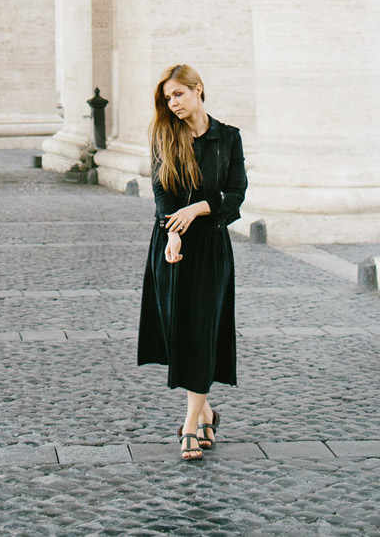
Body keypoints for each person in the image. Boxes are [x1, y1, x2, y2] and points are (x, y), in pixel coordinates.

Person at [137, 63, 247, 462]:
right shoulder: (164, 135)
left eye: (178, 95)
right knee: (178, 330)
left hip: (211, 247)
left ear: (198, 89)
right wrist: (171, 231)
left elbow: (236, 194)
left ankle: (187, 426)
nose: (173, 103)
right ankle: (205, 412)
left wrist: (200, 207)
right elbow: (160, 191)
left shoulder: (228, 138)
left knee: (202, 330)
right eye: (168, 98)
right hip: (171, 244)